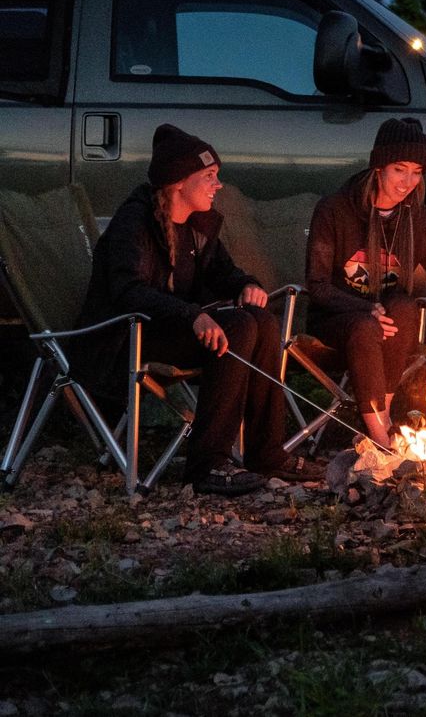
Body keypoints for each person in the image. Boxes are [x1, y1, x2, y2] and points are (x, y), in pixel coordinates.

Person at [76, 125, 314, 495]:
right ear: (177, 184)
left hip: (169, 328)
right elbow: (129, 291)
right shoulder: (134, 223)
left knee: (262, 321)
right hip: (126, 336)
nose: (217, 185)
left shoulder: (197, 225)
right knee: (238, 328)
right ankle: (207, 465)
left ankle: (266, 453)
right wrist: (193, 315)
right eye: (209, 177)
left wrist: (246, 285)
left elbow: (224, 274)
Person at [305, 117, 426, 448]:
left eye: (416, 172)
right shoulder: (334, 210)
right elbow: (318, 284)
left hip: (391, 331)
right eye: (399, 169)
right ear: (379, 166)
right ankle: (381, 439)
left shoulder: (421, 222)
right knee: (369, 324)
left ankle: (382, 415)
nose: (408, 181)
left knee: (405, 307)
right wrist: (366, 308)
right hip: (335, 320)